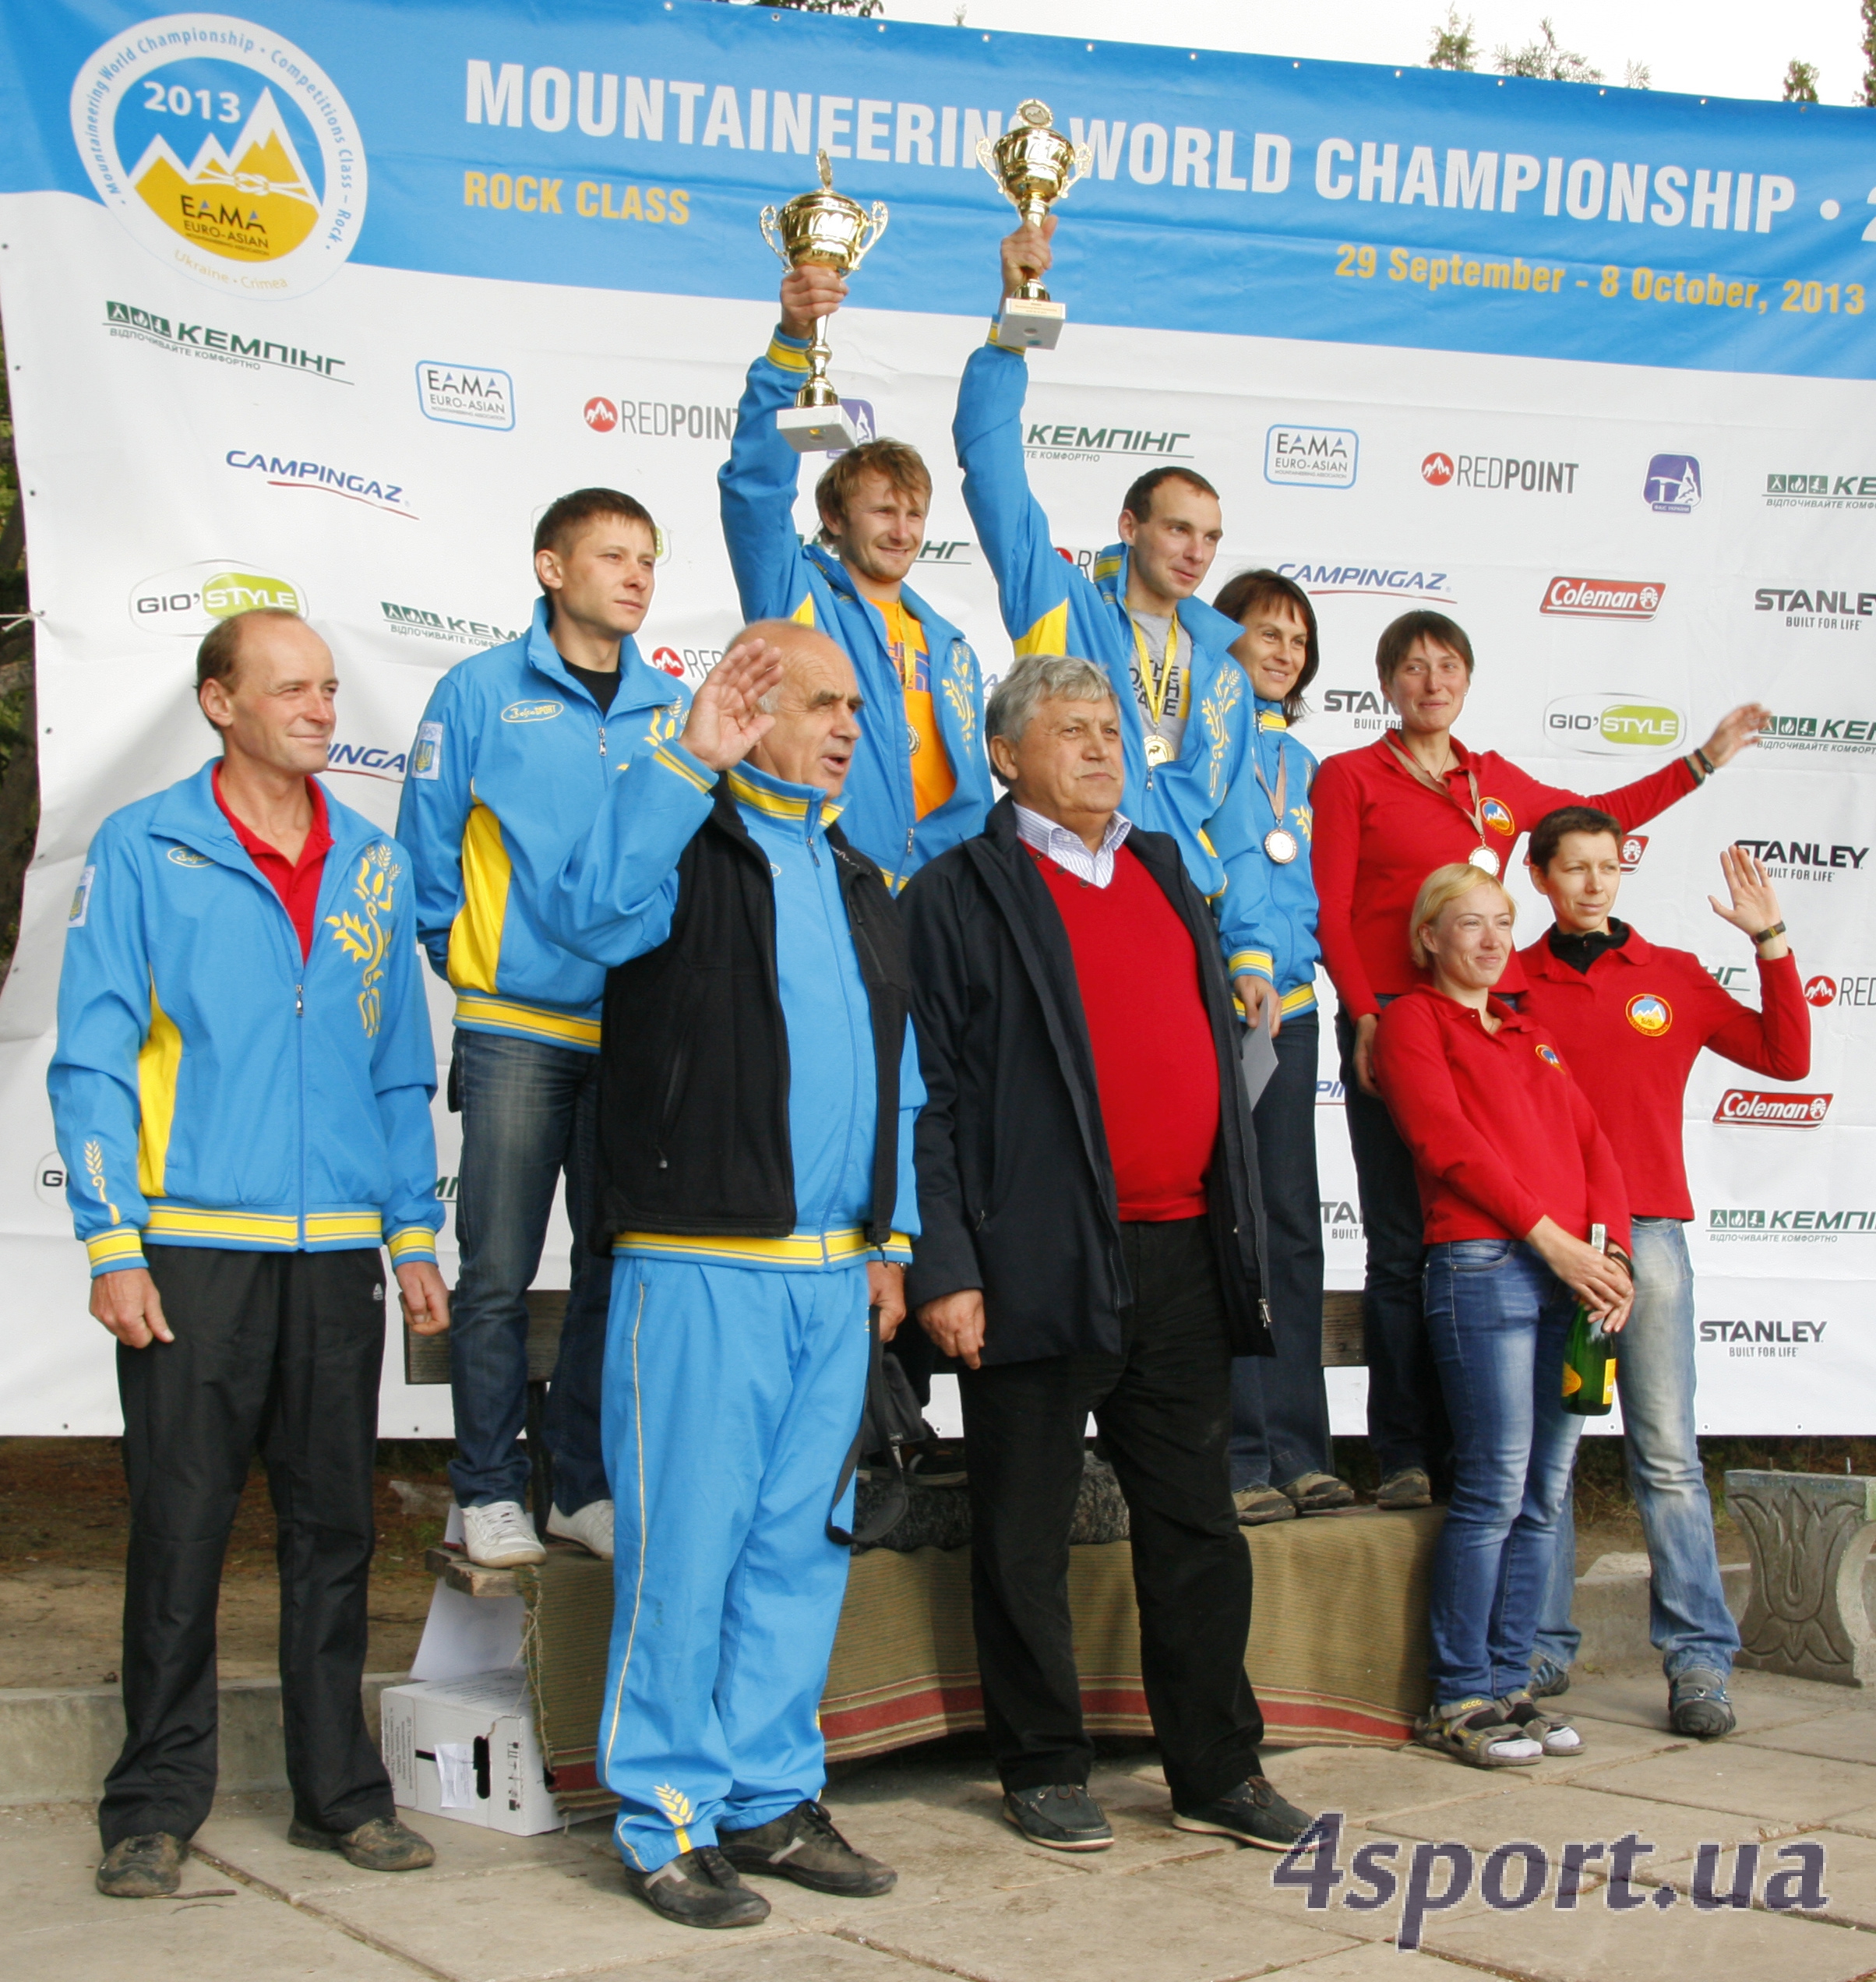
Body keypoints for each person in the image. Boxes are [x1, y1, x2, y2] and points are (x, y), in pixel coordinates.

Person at [528, 622, 920, 1930]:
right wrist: (680, 766)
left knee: (795, 1550)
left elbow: (899, 1079)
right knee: (683, 1551)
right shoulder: (681, 842)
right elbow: (578, 910)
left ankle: (766, 1791)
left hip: (829, 1281)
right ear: (748, 709)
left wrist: (891, 1237)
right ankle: (664, 1815)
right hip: (698, 1266)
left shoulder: (858, 872)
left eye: (856, 705)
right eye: (821, 701)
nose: (848, 724)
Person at [50, 608, 446, 1896]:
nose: (321, 707)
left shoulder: (374, 863)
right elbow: (93, 1058)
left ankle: (339, 1792)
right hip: (192, 1251)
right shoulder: (146, 844)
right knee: (179, 1525)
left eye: (330, 687)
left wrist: (412, 1229)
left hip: (338, 1256)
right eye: (291, 687)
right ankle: (154, 1798)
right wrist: (114, 1239)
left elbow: (398, 1069)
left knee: (334, 1526)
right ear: (219, 701)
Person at [902, 651, 1313, 1855]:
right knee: (1022, 1529)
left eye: (1109, 730)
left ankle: (1216, 1771)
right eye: (1070, 730)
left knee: (1197, 1529)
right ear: (1006, 754)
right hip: (1034, 1259)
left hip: (1182, 1252)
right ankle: (1041, 1765)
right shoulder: (955, 893)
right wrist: (946, 1267)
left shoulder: (1164, 866)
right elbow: (921, 1095)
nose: (1098, 747)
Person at [1311, 608, 1767, 1512]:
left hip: (1482, 1022)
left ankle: (1467, 1450)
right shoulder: (1349, 776)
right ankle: (1403, 1453)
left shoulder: (1491, 781)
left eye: (1447, 665)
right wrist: (1362, 1016)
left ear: (1467, 681)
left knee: (1487, 1229)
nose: (1430, 681)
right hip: (1395, 1024)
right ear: (1385, 683)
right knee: (1403, 1242)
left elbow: (1592, 823)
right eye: (1411, 667)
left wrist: (1702, 762)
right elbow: (1328, 909)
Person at [399, 488, 689, 1569]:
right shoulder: (478, 690)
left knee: (615, 1266)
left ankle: (579, 1485)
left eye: (649, 560)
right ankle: (483, 1487)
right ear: (550, 568)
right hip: (517, 1027)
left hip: (638, 1037)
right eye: (612, 554)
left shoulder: (674, 707)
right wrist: (472, 963)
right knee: (499, 1271)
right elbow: (425, 854)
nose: (635, 575)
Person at [1519, 809, 1809, 1737]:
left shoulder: (1671, 977)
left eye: (1608, 867)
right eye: (1574, 869)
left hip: (1645, 1237)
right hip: (1545, 1243)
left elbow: (1785, 1057)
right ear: (1540, 878)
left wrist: (1768, 939)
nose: (1594, 884)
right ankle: (1537, 1645)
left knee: (1666, 1459)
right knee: (1547, 1461)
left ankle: (1696, 1662)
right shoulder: (1508, 983)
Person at [1372, 865, 1634, 1768]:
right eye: (1466, 923)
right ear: (1429, 938)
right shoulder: (1412, 1020)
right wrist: (1551, 1241)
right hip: (1484, 1267)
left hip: (1569, 1278)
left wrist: (1614, 1261)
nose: (1488, 940)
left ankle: (1510, 1678)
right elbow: (1443, 1142)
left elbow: (1594, 1144)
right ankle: (1459, 1694)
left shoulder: (1530, 1031)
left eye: (1501, 923)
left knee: (1543, 1494)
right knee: (1491, 1487)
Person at [950, 217, 1264, 960]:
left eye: (1211, 537)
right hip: (1068, 902)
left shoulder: (1223, 670)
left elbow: (1240, 827)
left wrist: (1251, 949)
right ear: (1130, 525)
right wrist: (1012, 325)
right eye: (1179, 529)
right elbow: (993, 475)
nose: (1196, 552)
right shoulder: (1063, 610)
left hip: (1190, 922)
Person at [719, 259, 992, 889]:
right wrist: (791, 345)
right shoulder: (799, 600)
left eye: (914, 513)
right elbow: (753, 493)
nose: (902, 531)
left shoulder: (952, 647)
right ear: (834, 517)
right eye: (882, 511)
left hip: (941, 893)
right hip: (832, 873)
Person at [1207, 569, 1351, 1526]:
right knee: (1237, 1229)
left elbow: (1319, 890)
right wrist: (1246, 953)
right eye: (1266, 631)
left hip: (1290, 1015)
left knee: (1294, 1232)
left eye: (1297, 639)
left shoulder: (1303, 765)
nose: (1283, 650)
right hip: (1223, 1008)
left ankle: (1302, 1447)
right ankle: (1239, 1454)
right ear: (1223, 639)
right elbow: (1214, 864)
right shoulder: (1196, 747)